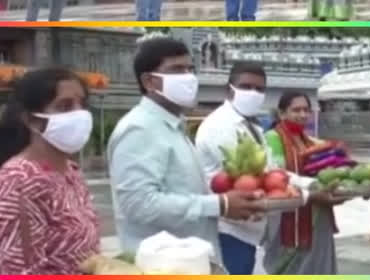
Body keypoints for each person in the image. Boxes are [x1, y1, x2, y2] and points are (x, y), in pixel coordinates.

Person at [108, 37, 262, 260]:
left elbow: (184, 193)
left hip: (189, 260)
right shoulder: (140, 129)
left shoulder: (172, 127)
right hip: (161, 265)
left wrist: (228, 203)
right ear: (149, 81)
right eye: (177, 70)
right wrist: (218, 204)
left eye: (190, 69)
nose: (188, 77)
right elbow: (139, 204)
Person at [195, 63, 310, 274]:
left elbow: (272, 171)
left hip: (248, 230)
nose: (253, 93)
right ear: (230, 90)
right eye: (246, 86)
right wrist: (305, 194)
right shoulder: (220, 125)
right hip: (227, 229)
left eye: (259, 89)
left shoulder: (253, 126)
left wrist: (307, 184)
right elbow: (250, 179)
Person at [0, 68, 99, 274]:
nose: (79, 114)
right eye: (64, 107)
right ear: (31, 120)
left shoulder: (70, 171)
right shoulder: (19, 181)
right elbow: (22, 270)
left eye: (82, 104)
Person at [262, 91, 348, 274]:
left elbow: (327, 167)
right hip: (288, 213)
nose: (303, 115)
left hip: (318, 213)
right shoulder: (272, 138)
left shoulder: (309, 141)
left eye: (306, 110)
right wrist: (312, 186)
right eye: (296, 110)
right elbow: (277, 174)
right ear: (282, 113)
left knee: (319, 265)